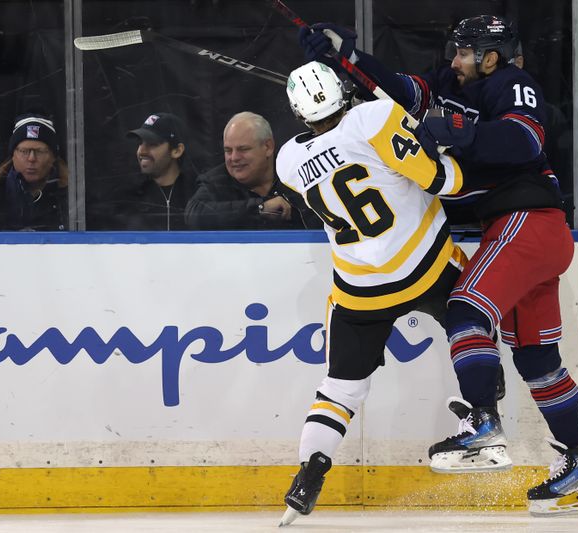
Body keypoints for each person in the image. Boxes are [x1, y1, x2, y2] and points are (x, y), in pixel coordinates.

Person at [299, 15, 578, 516]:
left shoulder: (513, 83)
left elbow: (524, 140)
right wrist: (346, 59)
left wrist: (459, 130)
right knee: (536, 360)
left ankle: (484, 427)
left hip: (529, 222)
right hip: (521, 232)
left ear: (491, 57)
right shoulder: (448, 83)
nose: (453, 59)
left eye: (464, 52)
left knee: (464, 306)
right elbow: (398, 90)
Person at [275, 61, 466, 526]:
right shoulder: (375, 116)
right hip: (425, 263)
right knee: (474, 315)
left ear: (299, 114)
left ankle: (311, 471)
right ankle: (484, 403)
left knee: (340, 388)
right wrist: (435, 145)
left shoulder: (287, 162)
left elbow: (336, 150)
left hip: (360, 289)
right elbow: (446, 183)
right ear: (343, 91)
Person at [185, 112, 320, 230]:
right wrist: (260, 208)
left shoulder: (297, 172)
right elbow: (194, 214)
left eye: (243, 149)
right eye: (228, 150)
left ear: (268, 147)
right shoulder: (216, 180)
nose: (234, 158)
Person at [0, 113, 68, 231]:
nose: (31, 158)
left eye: (39, 151)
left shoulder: (72, 193)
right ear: (13, 156)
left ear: (53, 157)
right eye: (24, 151)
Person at [111, 112, 196, 231]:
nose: (142, 151)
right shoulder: (127, 199)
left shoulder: (197, 196)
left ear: (177, 150)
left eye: (152, 143)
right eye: (140, 142)